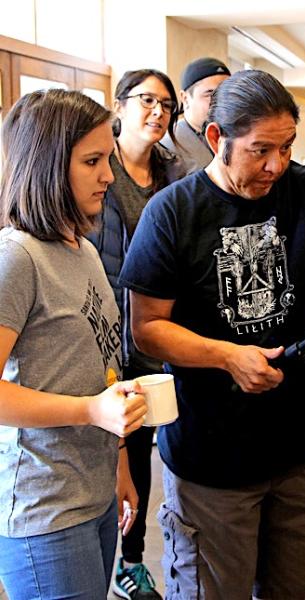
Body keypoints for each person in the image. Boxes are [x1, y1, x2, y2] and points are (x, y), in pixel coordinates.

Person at [118, 69, 305, 600]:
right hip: (212, 462)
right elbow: (146, 330)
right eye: (259, 150)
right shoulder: (174, 212)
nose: (276, 165)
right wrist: (227, 356)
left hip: (299, 453)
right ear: (217, 139)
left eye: (286, 147)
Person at [0, 89, 147, 600]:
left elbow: (100, 369)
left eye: (107, 157)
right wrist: (90, 411)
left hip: (94, 491)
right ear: (44, 166)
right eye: (92, 161)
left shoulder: (81, 248)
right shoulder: (17, 257)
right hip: (45, 510)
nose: (108, 175)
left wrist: (120, 461)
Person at [87, 68, 185, 600]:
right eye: (146, 100)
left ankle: (133, 561)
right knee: (114, 443)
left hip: (165, 331)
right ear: (120, 105)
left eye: (166, 105)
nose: (157, 112)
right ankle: (112, 554)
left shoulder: (178, 173)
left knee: (145, 446)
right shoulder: (101, 170)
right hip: (108, 332)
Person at [161, 57, 230, 173]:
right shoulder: (168, 145)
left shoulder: (235, 135)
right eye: (210, 94)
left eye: (227, 93)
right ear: (185, 98)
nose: (222, 101)